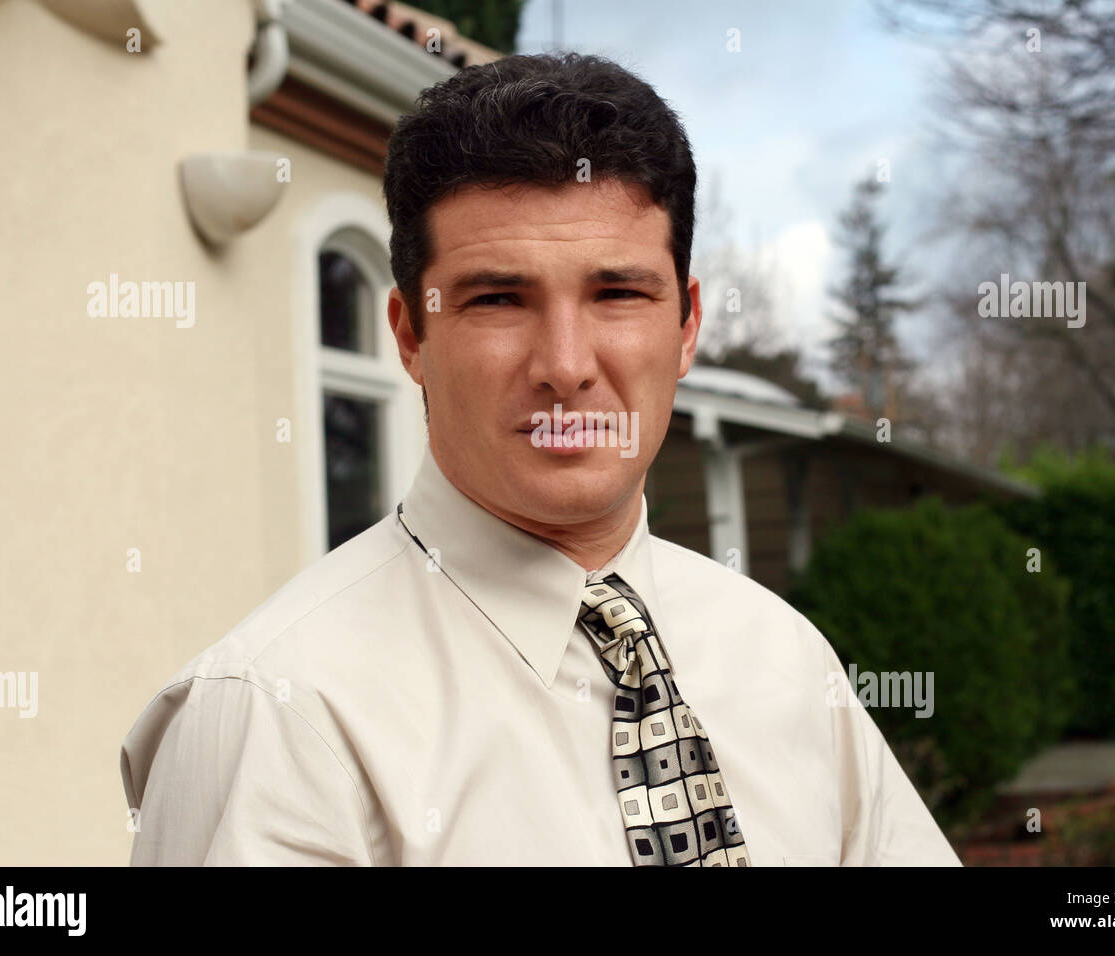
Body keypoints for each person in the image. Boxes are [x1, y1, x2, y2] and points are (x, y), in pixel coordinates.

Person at [120, 51, 961, 867]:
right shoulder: (276, 716)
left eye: (617, 293)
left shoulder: (785, 657)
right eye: (498, 299)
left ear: (687, 325)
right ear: (411, 336)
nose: (565, 365)